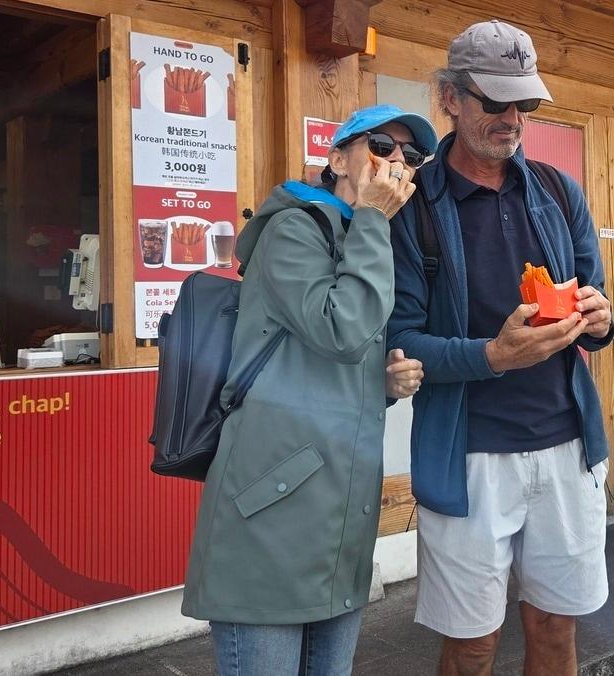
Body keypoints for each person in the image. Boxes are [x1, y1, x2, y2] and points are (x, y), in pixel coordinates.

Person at [387, 20, 614, 676]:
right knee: (471, 645)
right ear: (450, 98)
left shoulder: (556, 190)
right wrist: (491, 356)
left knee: (554, 627)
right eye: (495, 101)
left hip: (568, 443)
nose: (512, 118)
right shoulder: (413, 208)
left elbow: (593, 304)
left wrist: (597, 319)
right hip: (469, 455)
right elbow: (398, 339)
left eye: (525, 104)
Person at [182, 105, 435, 676]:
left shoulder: (361, 234)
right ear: (337, 156)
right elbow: (343, 328)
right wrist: (373, 221)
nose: (398, 162)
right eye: (381, 145)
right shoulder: (293, 228)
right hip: (274, 509)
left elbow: (322, 360)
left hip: (335, 515)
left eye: (411, 156)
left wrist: (384, 384)